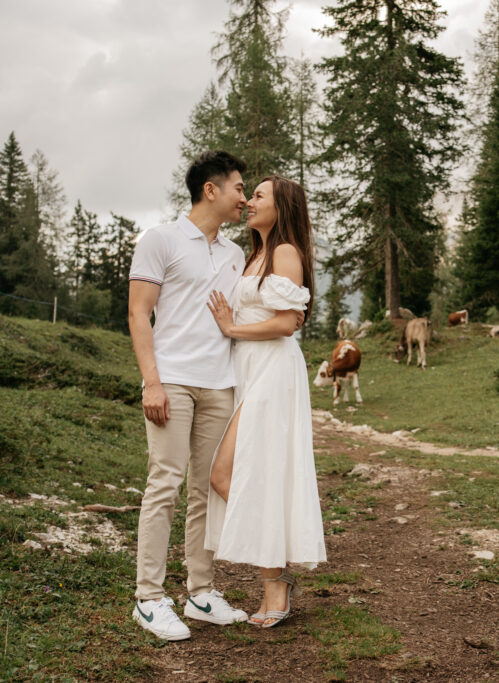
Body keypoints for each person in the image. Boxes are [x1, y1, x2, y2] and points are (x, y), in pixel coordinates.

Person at [128, 151, 267, 641]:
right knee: (165, 482)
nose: (244, 197)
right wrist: (152, 381)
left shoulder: (234, 254)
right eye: (238, 188)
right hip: (172, 381)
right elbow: (139, 314)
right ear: (211, 189)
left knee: (207, 489)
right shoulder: (160, 239)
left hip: (220, 383)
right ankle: (148, 598)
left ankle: (201, 593)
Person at [204, 175, 327, 628]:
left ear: (281, 207)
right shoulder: (254, 254)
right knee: (245, 475)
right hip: (248, 369)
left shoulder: (285, 252)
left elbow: (287, 322)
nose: (249, 202)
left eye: (258, 196)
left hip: (273, 370)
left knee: (225, 473)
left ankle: (275, 582)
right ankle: (276, 578)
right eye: (250, 194)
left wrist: (231, 328)